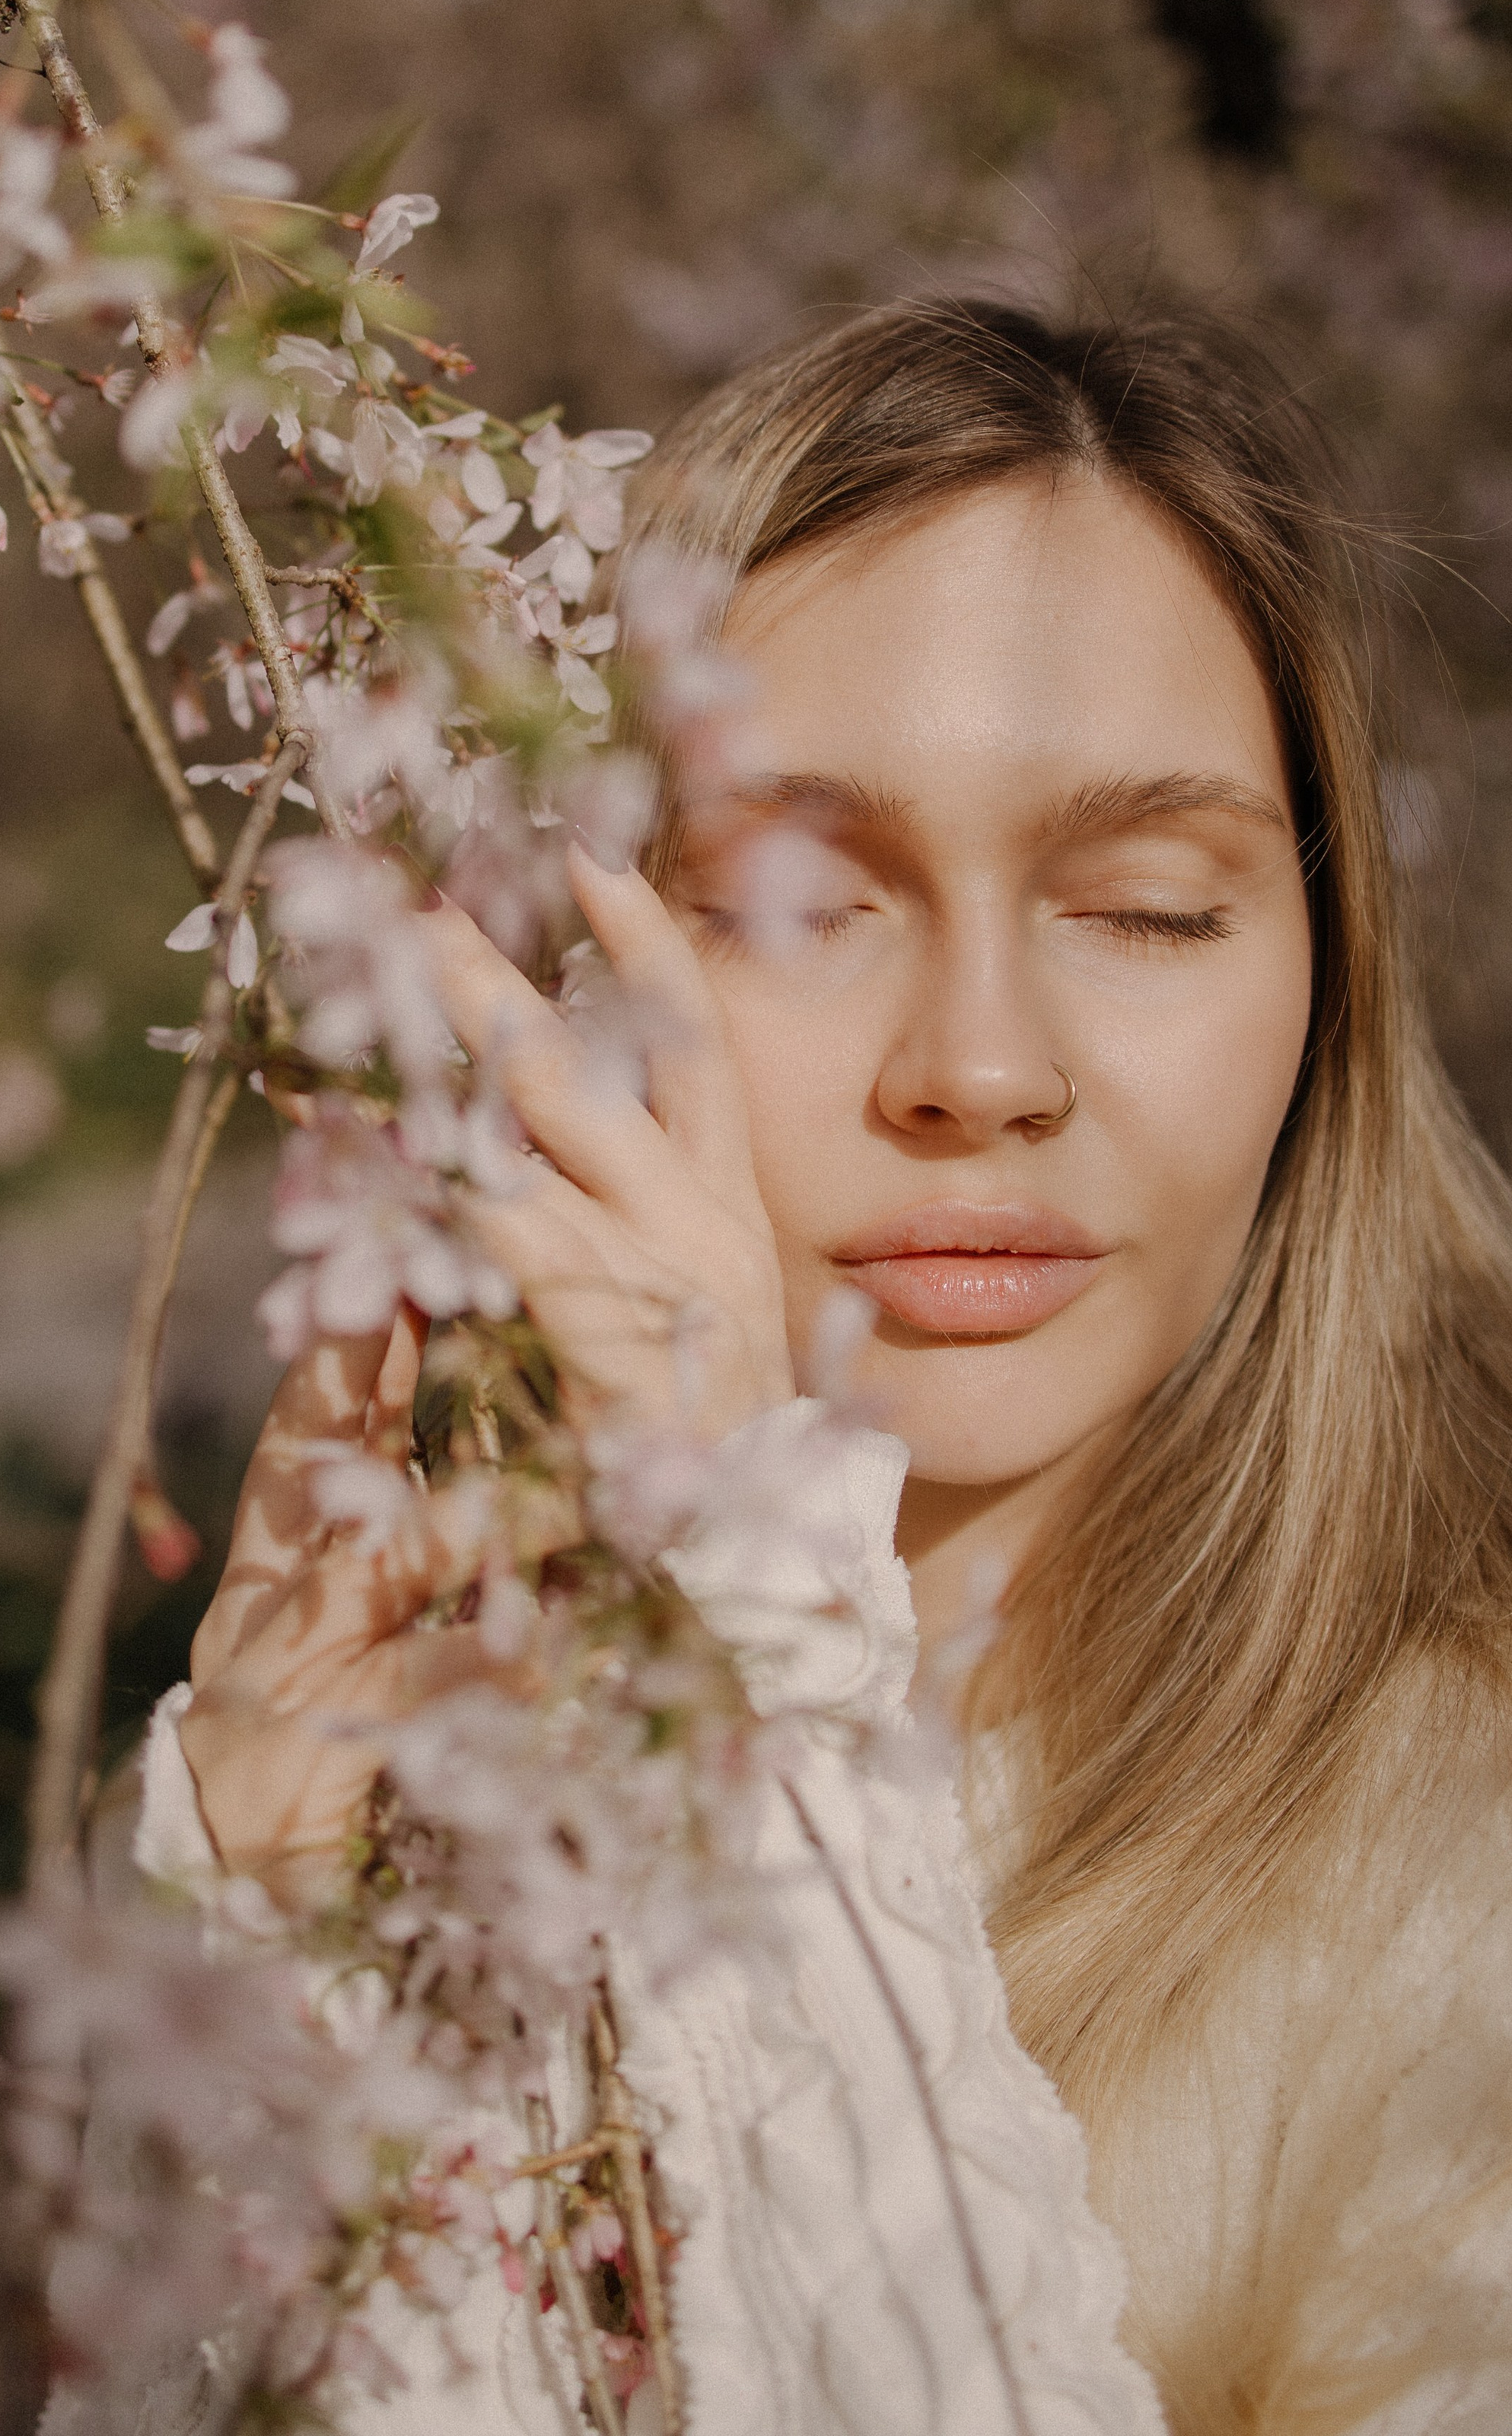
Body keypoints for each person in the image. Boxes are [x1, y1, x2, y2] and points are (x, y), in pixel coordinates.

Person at [140, 301, 1512, 2434]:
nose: (980, 1072)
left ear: (1327, 985)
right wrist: (299, 1984)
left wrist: (767, 1704)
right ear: (544, 973)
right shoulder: (460, 1771)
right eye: (795, 901)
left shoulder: (1467, 1904)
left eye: (1149, 908)